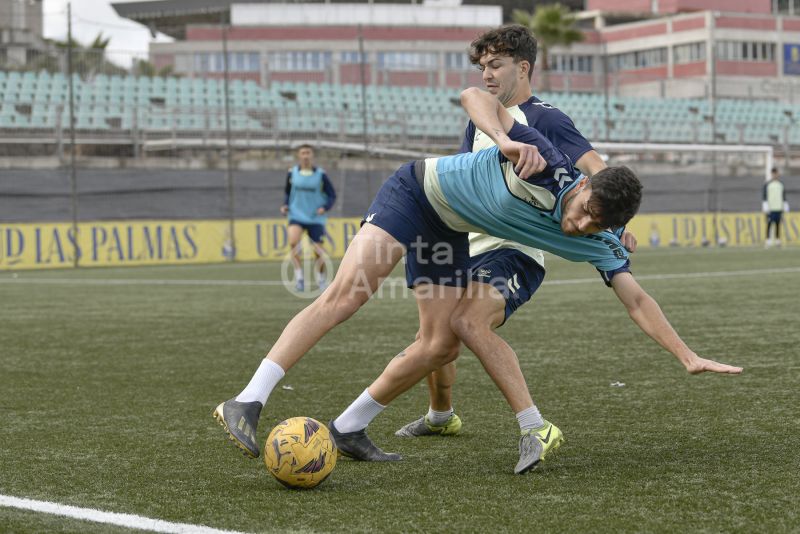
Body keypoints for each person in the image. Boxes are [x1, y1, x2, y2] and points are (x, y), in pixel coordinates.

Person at [213, 87, 741, 468]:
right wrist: (503, 139)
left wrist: (686, 355)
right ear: (581, 185)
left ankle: (348, 428)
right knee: (346, 296)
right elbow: (473, 95)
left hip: (451, 229)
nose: (577, 224)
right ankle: (249, 400)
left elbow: (637, 300)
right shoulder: (547, 161)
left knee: (441, 343)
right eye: (582, 209)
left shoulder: (598, 239)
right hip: (415, 192)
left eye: (593, 224)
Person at [394, 24, 634, 444]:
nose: (486, 74)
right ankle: (440, 415)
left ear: (523, 68)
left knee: (459, 327)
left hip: (512, 244)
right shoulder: (485, 116)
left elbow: (600, 171)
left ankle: (526, 424)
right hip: (466, 233)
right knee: (430, 338)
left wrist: (617, 225)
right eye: (483, 66)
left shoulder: (547, 118)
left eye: (496, 65)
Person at [280, 144, 337, 291]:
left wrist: (325, 207)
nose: (305, 155)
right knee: (293, 242)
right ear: (299, 155)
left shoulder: (321, 174)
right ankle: (299, 276)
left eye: (308, 152)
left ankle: (320, 278)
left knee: (319, 252)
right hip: (296, 214)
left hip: (315, 217)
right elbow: (288, 192)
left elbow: (332, 195)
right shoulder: (292, 173)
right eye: (303, 153)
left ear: (312, 155)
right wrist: (285, 205)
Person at [763, 166, 789, 248]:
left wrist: (785, 205)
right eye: (774, 173)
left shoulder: (781, 185)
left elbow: (783, 196)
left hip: (779, 208)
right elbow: (765, 196)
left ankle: (778, 241)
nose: (775, 175)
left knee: (778, 224)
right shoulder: (767, 184)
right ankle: (768, 241)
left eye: (776, 173)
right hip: (771, 208)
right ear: (772, 174)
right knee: (769, 224)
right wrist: (765, 206)